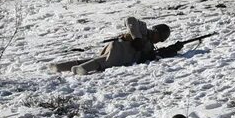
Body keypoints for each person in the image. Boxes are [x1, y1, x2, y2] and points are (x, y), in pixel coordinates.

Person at [53, 18, 187, 74]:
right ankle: (81, 69)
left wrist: (174, 49)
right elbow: (130, 20)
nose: (158, 41)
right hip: (120, 49)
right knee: (102, 63)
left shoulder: (149, 46)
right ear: (156, 31)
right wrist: (137, 38)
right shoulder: (144, 29)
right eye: (160, 37)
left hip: (118, 51)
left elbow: (154, 55)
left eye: (161, 40)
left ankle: (60, 66)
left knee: (97, 59)